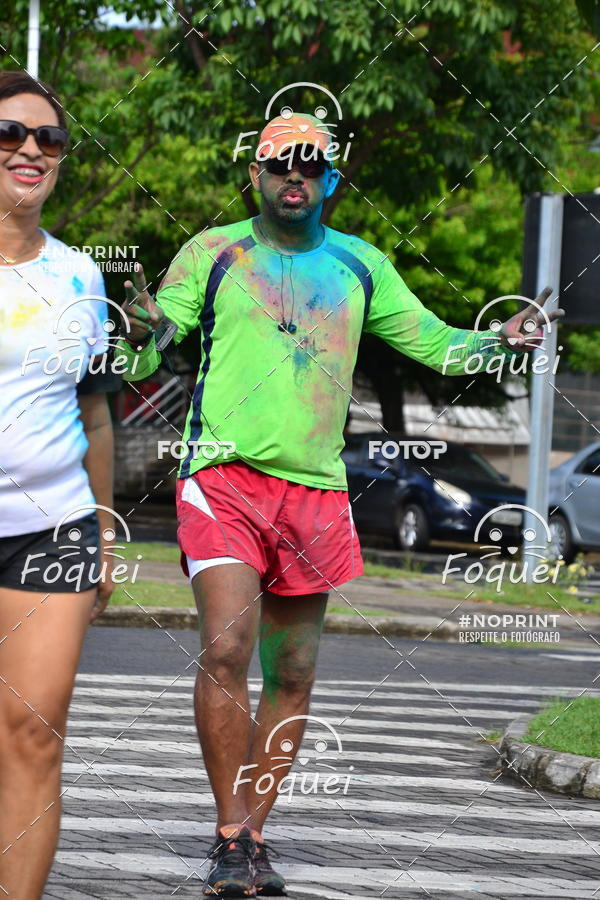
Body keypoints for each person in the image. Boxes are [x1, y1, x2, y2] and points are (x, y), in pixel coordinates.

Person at [117, 113, 560, 898]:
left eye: (311, 166)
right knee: (226, 651)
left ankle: (254, 835)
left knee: (294, 672)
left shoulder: (361, 265)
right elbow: (158, 337)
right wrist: (143, 332)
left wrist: (502, 341)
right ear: (252, 174)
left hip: (316, 490)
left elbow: (434, 343)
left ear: (331, 179)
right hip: (221, 479)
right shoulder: (213, 253)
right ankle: (226, 833)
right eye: (280, 163)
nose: (296, 176)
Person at [0, 71, 119, 900]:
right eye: (9, 133)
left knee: (33, 736)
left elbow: (97, 413)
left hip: (53, 529)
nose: (30, 149)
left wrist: (107, 530)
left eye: (48, 138)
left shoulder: (83, 278)